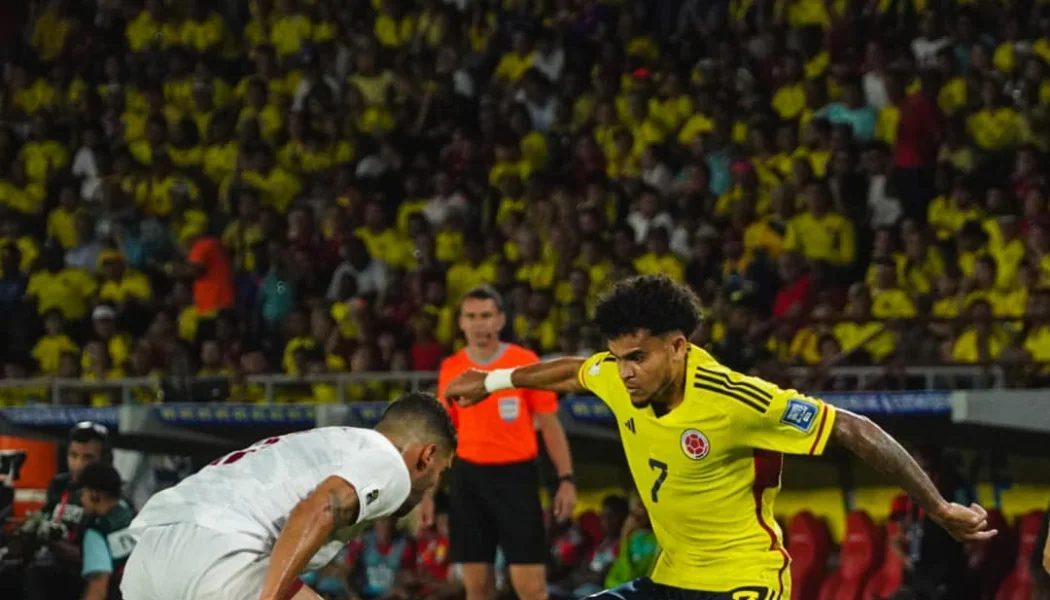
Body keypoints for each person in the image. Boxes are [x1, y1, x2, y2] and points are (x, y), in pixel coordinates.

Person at [445, 275, 997, 599]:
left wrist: (938, 507)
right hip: (671, 580)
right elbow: (573, 371)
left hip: (744, 582)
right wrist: (490, 382)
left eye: (637, 357)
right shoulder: (616, 375)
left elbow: (855, 428)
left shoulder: (737, 400)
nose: (625, 372)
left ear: (678, 346)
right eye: (618, 358)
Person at [120, 392, 457, 600]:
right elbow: (320, 509)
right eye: (440, 472)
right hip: (217, 556)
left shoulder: (331, 442)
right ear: (427, 456)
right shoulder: (389, 463)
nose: (433, 485)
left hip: (149, 558)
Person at [419, 285, 576, 600]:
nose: (479, 324)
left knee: (531, 588)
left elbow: (550, 424)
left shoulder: (524, 361)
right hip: (469, 481)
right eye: (471, 316)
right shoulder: (452, 368)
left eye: (486, 315)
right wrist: (426, 492)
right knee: (477, 588)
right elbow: (442, 435)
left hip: (517, 480)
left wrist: (566, 479)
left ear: (501, 319)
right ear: (461, 322)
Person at [22, 421, 111, 600]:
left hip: (81, 577)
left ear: (104, 459)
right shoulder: (59, 485)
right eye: (73, 455)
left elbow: (104, 563)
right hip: (46, 570)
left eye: (88, 457)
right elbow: (45, 516)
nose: (78, 465)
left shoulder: (109, 495)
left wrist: (58, 545)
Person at [78, 463, 137, 600]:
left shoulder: (97, 531)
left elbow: (97, 591)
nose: (81, 500)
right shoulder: (132, 515)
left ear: (94, 494)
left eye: (83, 493)